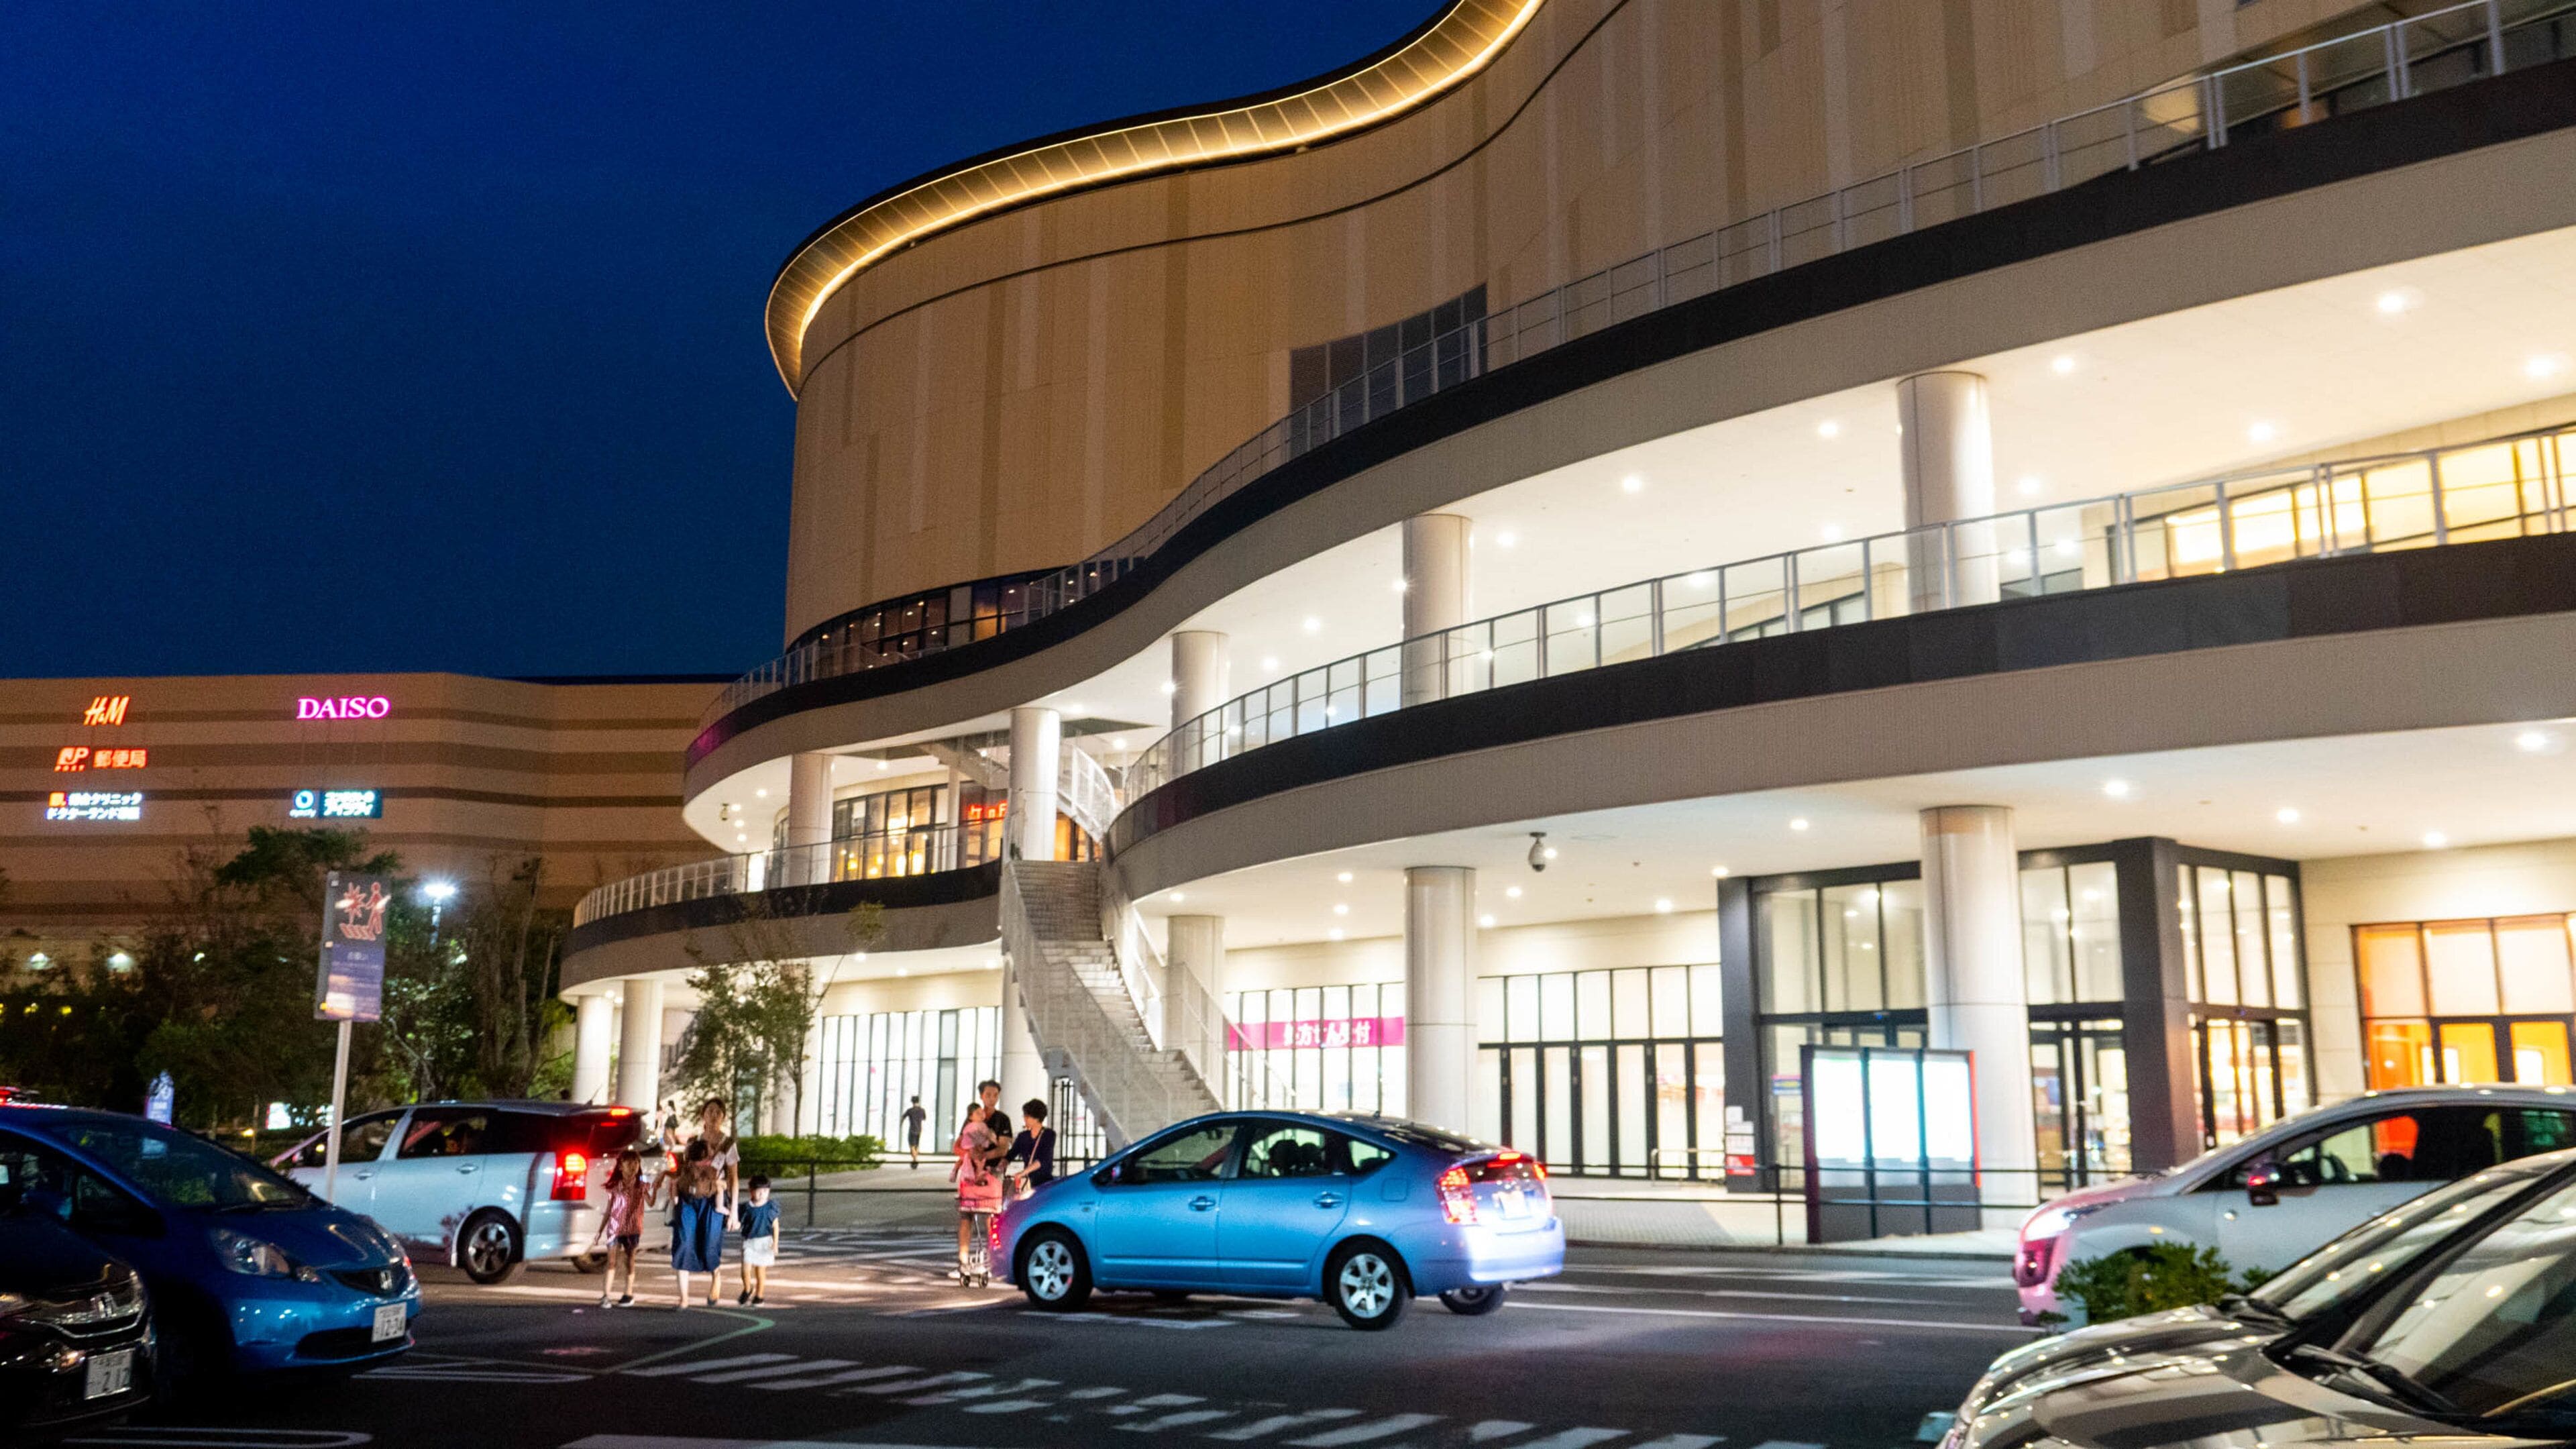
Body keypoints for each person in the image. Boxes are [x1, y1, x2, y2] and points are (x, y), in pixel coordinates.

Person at [663, 1140, 726, 1309]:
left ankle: (716, 1276)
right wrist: (674, 1195)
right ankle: (684, 1299)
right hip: (687, 1203)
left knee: (709, 1246)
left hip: (710, 1204)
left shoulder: (716, 1168)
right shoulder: (684, 1169)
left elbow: (725, 1183)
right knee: (684, 1245)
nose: (700, 1164)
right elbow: (675, 1185)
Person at [951, 1102, 1003, 1285]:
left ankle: (992, 1257)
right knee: (968, 1218)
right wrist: (970, 1153)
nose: (991, 1098)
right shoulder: (971, 1128)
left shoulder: (1000, 1120)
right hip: (972, 1182)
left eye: (995, 1094)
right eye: (988, 1094)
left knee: (990, 1219)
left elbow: (1002, 1147)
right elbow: (958, 1147)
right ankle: (964, 1259)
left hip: (988, 1180)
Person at [694, 1097, 741, 1300]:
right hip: (696, 1196)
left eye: (718, 1113)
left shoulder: (728, 1144)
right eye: (710, 1111)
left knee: (712, 1241)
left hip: (716, 1197)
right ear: (703, 1115)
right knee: (695, 1240)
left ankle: (716, 1276)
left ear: (723, 1117)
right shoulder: (695, 1142)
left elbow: (734, 1178)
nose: (713, 1116)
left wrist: (734, 1212)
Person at [593, 1148, 648, 1307]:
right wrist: (599, 1231)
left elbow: (649, 1202)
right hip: (615, 1228)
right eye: (629, 1162)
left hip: (632, 1229)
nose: (633, 1166)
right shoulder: (615, 1187)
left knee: (630, 1260)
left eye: (636, 1163)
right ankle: (606, 1295)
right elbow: (609, 1210)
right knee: (611, 1261)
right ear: (620, 1166)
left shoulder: (641, 1186)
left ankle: (628, 1293)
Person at [736, 1176, 782, 1306]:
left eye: (766, 1191)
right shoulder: (746, 1208)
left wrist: (776, 1244)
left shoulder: (771, 1207)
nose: (762, 1194)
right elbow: (740, 1222)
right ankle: (748, 1288)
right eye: (759, 1191)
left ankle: (759, 1296)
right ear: (751, 1191)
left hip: (765, 1242)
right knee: (745, 1269)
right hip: (749, 1241)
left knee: (760, 1271)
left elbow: (775, 1225)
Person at [1006, 1098, 1056, 1200]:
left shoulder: (1049, 1135)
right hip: (1027, 1183)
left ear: (1036, 1118)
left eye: (1027, 1116)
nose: (1025, 1118)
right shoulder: (1023, 1136)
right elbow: (1011, 1154)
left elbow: (1043, 1160)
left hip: (1043, 1183)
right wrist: (1002, 1164)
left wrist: (1022, 1173)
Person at [900, 1095, 927, 1169]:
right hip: (919, 1130)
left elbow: (903, 1117)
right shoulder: (922, 1110)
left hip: (912, 1130)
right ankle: (915, 1158)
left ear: (912, 1102)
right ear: (918, 1101)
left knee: (912, 1145)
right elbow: (924, 1118)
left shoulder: (910, 1110)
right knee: (917, 1145)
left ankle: (915, 1160)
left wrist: (901, 1124)